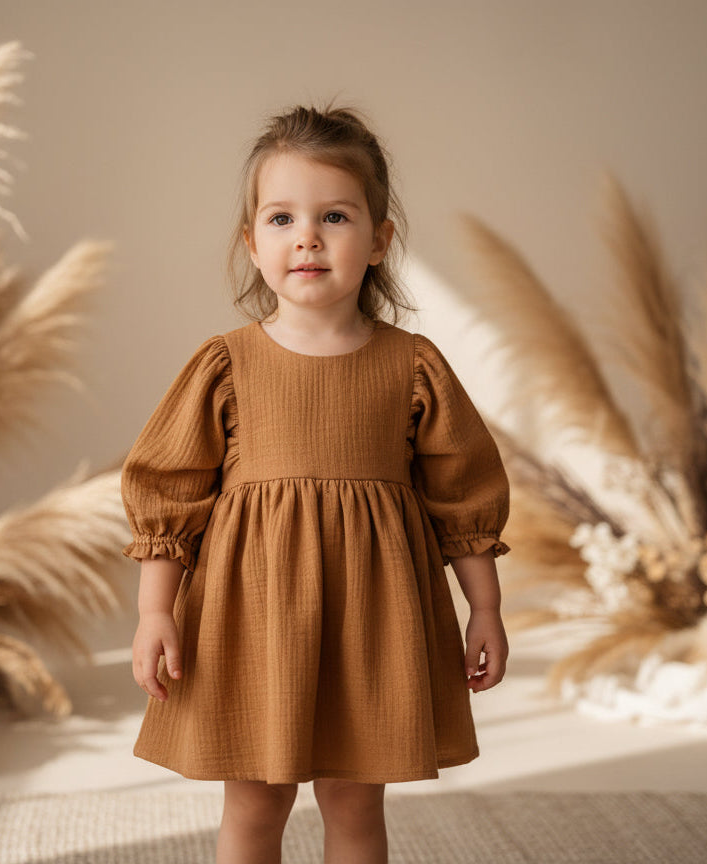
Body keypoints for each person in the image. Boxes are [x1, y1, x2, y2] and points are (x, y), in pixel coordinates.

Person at [121, 102, 511, 864]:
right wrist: (153, 612)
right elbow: (168, 496)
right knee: (255, 799)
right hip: (252, 618)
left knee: (354, 798)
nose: (306, 237)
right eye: (280, 218)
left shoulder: (413, 365)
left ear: (377, 241)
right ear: (251, 242)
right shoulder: (225, 363)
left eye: (334, 215)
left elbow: (462, 494)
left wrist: (485, 606)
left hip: (374, 621)